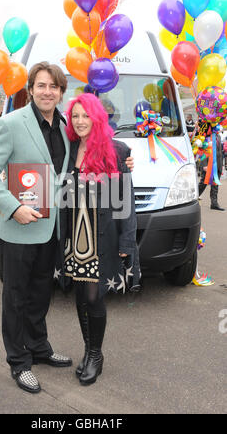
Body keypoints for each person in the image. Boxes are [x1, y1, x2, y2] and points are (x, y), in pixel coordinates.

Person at [0, 62, 134, 394]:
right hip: (20, 228)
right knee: (16, 297)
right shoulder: (10, 123)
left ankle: (39, 348)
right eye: (42, 86)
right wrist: (13, 207)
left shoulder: (65, 126)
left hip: (54, 231)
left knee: (39, 296)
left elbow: (95, 147)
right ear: (30, 88)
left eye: (54, 87)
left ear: (61, 92)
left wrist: (125, 158)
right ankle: (19, 362)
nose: (48, 92)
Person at [57, 93, 141, 386]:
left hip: (101, 234)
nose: (80, 122)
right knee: (80, 297)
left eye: (86, 116)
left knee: (94, 296)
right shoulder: (67, 148)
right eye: (75, 116)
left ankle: (95, 355)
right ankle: (87, 350)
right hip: (74, 235)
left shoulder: (117, 150)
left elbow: (126, 200)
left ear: (97, 117)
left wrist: (126, 243)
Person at [198, 121, 225, 211]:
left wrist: (221, 166)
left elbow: (220, 152)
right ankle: (192, 199)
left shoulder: (218, 136)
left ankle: (214, 203)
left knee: (215, 184)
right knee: (203, 183)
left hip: (217, 164)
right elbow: (202, 152)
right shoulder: (205, 137)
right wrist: (204, 165)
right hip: (208, 164)